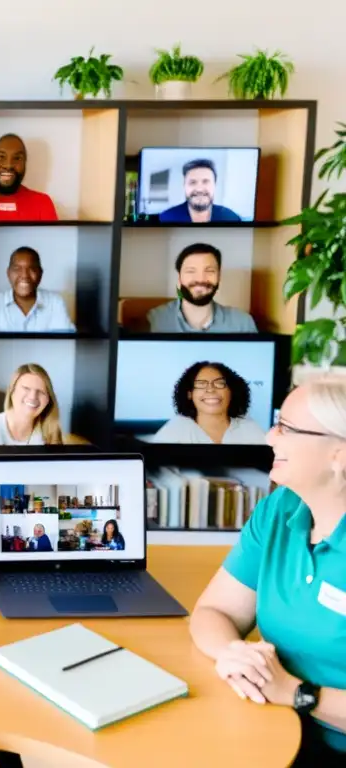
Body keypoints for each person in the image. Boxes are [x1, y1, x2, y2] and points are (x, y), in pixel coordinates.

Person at [189, 374, 346, 764]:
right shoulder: (280, 510)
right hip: (273, 725)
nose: (269, 437)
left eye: (286, 428)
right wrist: (234, 654)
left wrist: (295, 692)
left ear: (339, 455)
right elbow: (215, 612)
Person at [147, 243, 258, 333]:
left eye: (209, 271)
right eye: (191, 271)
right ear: (179, 278)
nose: (200, 279)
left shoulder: (242, 324)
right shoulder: (154, 320)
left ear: (219, 277)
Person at [152, 361, 268, 445]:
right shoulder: (175, 429)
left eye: (219, 383)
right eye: (201, 384)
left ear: (232, 391)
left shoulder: (249, 427)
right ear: (189, 394)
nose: (211, 389)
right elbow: (154, 470)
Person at [0, 246, 75, 332]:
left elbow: (63, 346)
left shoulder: (55, 303)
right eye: (17, 269)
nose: (25, 275)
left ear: (40, 273)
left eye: (32, 269)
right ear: (8, 273)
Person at [0, 363, 64, 446]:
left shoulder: (52, 429)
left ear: (48, 399)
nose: (33, 397)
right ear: (12, 391)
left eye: (41, 392)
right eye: (26, 388)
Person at [159, 159, 243, 223]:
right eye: (192, 182)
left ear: (215, 185)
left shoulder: (231, 218)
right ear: (184, 186)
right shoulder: (166, 218)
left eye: (205, 182)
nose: (199, 189)